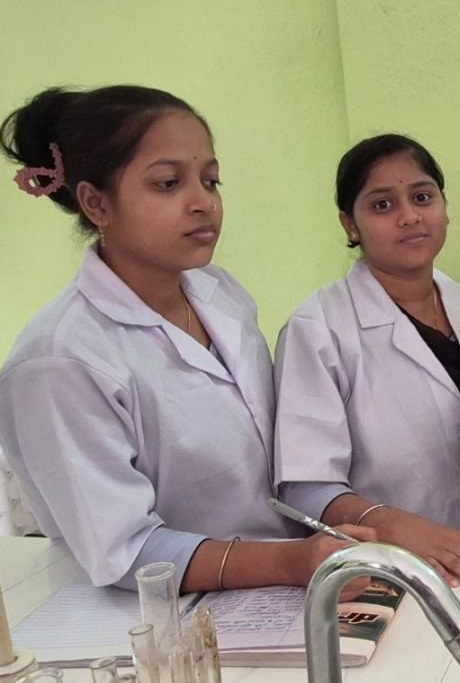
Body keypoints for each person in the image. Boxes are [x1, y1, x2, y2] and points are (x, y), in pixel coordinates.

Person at [0, 86, 373, 591]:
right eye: (168, 184)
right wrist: (291, 563)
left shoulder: (220, 293)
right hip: (157, 615)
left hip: (281, 586)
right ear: (96, 203)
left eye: (211, 181)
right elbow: (125, 550)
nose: (203, 203)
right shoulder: (59, 361)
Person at [274, 134, 460, 588]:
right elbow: (306, 486)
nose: (409, 216)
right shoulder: (319, 328)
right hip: (388, 573)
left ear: (444, 207)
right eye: (382, 205)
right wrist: (389, 523)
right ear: (350, 225)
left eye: (422, 197)